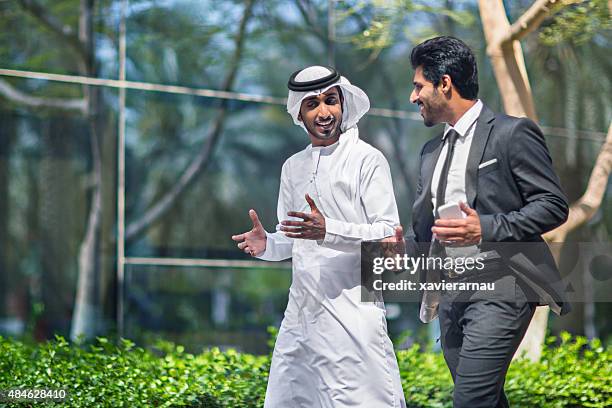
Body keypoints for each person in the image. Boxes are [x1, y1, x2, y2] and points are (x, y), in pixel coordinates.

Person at [390, 36, 570, 407]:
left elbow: (553, 205)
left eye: (418, 85)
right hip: (449, 293)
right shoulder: (430, 152)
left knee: (471, 400)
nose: (413, 97)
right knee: (484, 399)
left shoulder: (511, 133)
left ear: (445, 83)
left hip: (503, 284)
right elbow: (423, 230)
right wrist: (397, 249)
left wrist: (485, 227)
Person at [231, 65, 406, 408]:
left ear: (343, 103)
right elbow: (295, 236)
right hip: (303, 315)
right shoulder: (292, 167)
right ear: (299, 111)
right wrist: (269, 244)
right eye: (313, 104)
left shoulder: (367, 160)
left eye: (331, 101)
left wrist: (330, 230)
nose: (324, 112)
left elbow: (387, 233)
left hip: (355, 311)